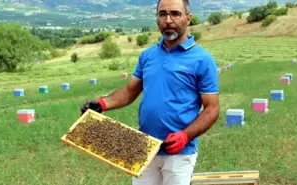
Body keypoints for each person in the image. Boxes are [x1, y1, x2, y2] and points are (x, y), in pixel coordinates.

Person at [80, 0, 219, 184]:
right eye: (162, 14)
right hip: (143, 148)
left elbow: (212, 109)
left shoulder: (202, 60)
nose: (168, 20)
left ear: (188, 18)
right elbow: (130, 91)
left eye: (175, 14)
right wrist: (103, 103)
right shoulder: (147, 55)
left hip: (179, 154)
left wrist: (185, 136)